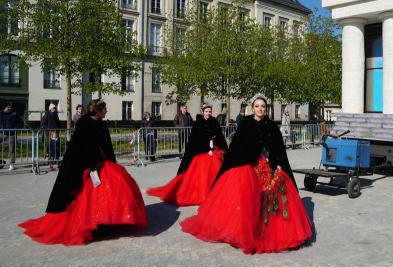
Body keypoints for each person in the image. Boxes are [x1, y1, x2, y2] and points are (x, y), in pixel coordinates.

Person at [180, 95, 312, 254]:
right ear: (252, 108)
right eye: (257, 106)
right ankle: (247, 232)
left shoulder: (271, 125)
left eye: (263, 106)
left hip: (269, 167)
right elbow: (238, 147)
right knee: (249, 202)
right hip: (249, 168)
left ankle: (269, 233)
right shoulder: (246, 124)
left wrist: (277, 163)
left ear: (266, 108)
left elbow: (278, 148)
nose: (260, 109)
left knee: (272, 201)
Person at [19, 99, 147, 245]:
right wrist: (93, 164)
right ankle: (88, 222)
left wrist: (107, 159)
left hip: (99, 162)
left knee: (114, 184)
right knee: (83, 196)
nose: (106, 111)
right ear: (98, 111)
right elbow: (82, 148)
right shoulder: (85, 124)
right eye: (104, 109)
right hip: (83, 165)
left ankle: (105, 220)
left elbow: (104, 145)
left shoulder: (100, 124)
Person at [147, 103, 228, 206]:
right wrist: (206, 149)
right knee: (203, 175)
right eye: (206, 111)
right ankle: (204, 194)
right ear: (202, 112)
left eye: (210, 111)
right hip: (202, 153)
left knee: (216, 172)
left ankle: (215, 193)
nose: (208, 113)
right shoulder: (198, 123)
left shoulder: (214, 121)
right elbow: (195, 140)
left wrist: (217, 144)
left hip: (214, 151)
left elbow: (220, 136)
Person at [0, 104, 21, 170]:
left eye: (10, 107)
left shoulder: (14, 114)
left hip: (12, 134)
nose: (9, 108)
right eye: (7, 107)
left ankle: (11, 164)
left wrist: (16, 128)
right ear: (4, 108)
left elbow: (20, 122)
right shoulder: (0, 114)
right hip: (1, 133)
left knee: (12, 149)